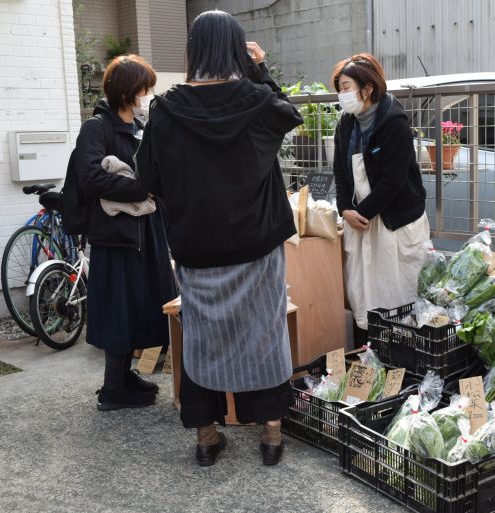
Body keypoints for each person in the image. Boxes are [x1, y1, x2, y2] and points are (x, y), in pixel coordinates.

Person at [135, 10, 302, 467]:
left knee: (202, 338)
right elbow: (290, 115)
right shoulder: (255, 99)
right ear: (236, 48)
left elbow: (148, 176)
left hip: (197, 245)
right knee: (264, 332)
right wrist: (259, 69)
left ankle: (207, 437)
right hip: (258, 241)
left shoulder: (166, 109)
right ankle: (270, 434)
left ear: (194, 50)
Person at [75, 54, 177, 411]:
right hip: (116, 235)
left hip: (145, 231)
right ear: (126, 90)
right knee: (120, 307)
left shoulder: (141, 126)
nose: (148, 94)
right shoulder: (97, 128)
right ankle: (112, 388)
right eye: (144, 88)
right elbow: (90, 177)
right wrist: (140, 188)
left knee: (142, 303)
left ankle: (122, 378)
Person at [330, 53, 429, 346]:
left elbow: (394, 180)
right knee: (362, 291)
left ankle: (403, 353)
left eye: (346, 87)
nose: (341, 95)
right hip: (361, 219)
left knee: (396, 290)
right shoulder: (345, 123)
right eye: (340, 88)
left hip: (393, 221)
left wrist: (362, 213)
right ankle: (367, 352)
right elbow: (339, 170)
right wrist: (344, 208)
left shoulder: (393, 121)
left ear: (368, 88)